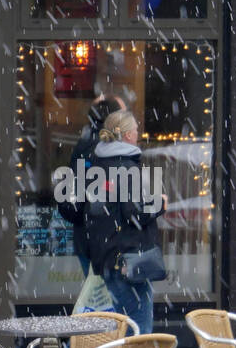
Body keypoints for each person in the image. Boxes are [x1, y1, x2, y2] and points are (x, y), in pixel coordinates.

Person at [80, 110, 165, 333]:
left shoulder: (97, 166)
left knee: (114, 330)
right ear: (127, 135)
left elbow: (96, 213)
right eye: (136, 129)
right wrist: (160, 204)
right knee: (139, 332)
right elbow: (135, 214)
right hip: (129, 263)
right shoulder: (127, 168)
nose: (138, 133)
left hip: (108, 260)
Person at [59, 94, 125, 275]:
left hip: (86, 236)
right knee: (108, 297)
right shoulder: (109, 149)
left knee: (96, 296)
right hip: (105, 241)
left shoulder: (84, 143)